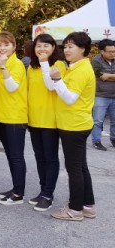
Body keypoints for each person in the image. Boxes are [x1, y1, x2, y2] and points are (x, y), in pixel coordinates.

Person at [48, 32, 96, 221]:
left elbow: (69, 98)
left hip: (74, 125)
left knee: (74, 168)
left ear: (82, 49)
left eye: (71, 46)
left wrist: (58, 80)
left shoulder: (81, 70)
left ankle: (75, 210)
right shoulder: (76, 67)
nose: (67, 50)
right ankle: (87, 206)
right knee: (81, 167)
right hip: (76, 123)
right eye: (65, 46)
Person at [27, 33, 65, 211]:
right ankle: (43, 191)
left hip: (50, 120)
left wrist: (44, 63)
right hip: (34, 120)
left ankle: (48, 195)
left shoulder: (58, 65)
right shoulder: (31, 67)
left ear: (53, 48)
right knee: (40, 157)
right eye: (38, 46)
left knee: (50, 159)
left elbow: (51, 85)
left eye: (46, 46)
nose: (41, 49)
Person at [0, 31, 28, 205]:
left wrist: (4, 67)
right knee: (10, 156)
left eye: (6, 44)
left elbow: (12, 87)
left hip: (15, 117)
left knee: (16, 156)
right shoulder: (3, 63)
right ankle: (15, 188)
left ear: (14, 47)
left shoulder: (16, 64)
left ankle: (19, 193)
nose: (2, 48)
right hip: (3, 116)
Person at [90, 39, 115, 150]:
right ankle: (96, 141)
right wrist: (110, 76)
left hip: (114, 95)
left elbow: (106, 77)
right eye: (110, 51)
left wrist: (109, 76)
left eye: (114, 51)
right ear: (102, 52)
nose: (112, 54)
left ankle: (114, 139)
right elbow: (102, 77)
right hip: (101, 95)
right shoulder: (95, 61)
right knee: (98, 121)